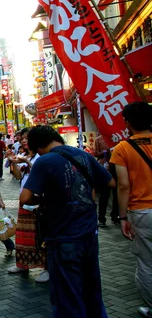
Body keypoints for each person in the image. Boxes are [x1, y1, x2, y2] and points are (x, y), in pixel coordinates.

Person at [20, 126, 114, 318]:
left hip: (63, 237)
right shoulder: (84, 155)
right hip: (89, 235)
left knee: (68, 298)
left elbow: (25, 197)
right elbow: (110, 182)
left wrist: (44, 200)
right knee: (92, 292)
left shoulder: (45, 161)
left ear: (38, 146)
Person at [110, 102, 152, 318]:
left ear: (127, 122)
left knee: (146, 260)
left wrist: (123, 216)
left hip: (142, 211)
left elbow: (123, 185)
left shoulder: (123, 149)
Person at [7, 128, 48, 281]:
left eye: (26, 138)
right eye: (22, 138)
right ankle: (22, 264)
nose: (23, 141)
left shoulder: (41, 156)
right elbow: (18, 177)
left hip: (37, 200)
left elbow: (40, 173)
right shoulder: (23, 156)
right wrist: (14, 163)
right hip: (24, 200)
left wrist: (26, 162)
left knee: (39, 235)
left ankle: (46, 267)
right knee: (24, 235)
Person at [94, 133, 119, 227]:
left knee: (117, 195)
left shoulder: (118, 139)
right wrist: (105, 152)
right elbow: (95, 153)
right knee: (104, 195)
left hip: (117, 167)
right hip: (104, 169)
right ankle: (101, 218)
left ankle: (115, 216)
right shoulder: (99, 139)